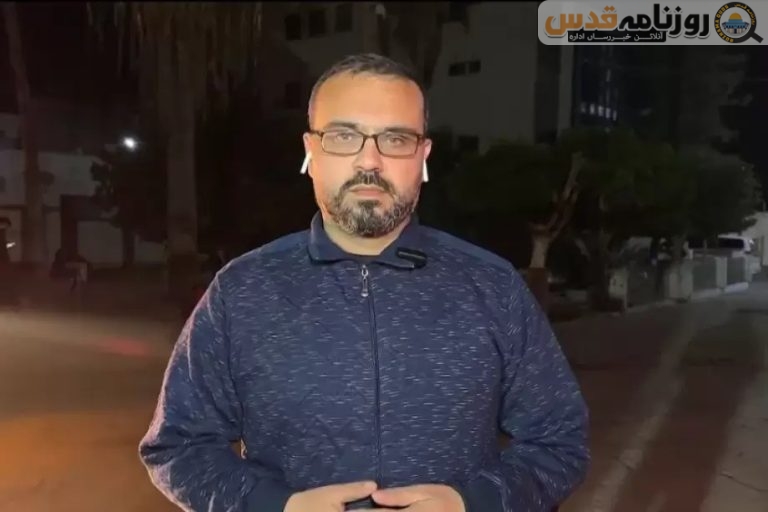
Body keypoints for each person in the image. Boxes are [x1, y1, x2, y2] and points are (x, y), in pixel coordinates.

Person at [139, 53, 590, 512]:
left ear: (423, 155)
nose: (369, 160)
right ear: (311, 151)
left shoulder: (494, 287)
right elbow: (179, 447)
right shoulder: (241, 292)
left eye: (396, 138)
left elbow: (559, 442)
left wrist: (471, 503)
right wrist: (277, 507)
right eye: (343, 136)